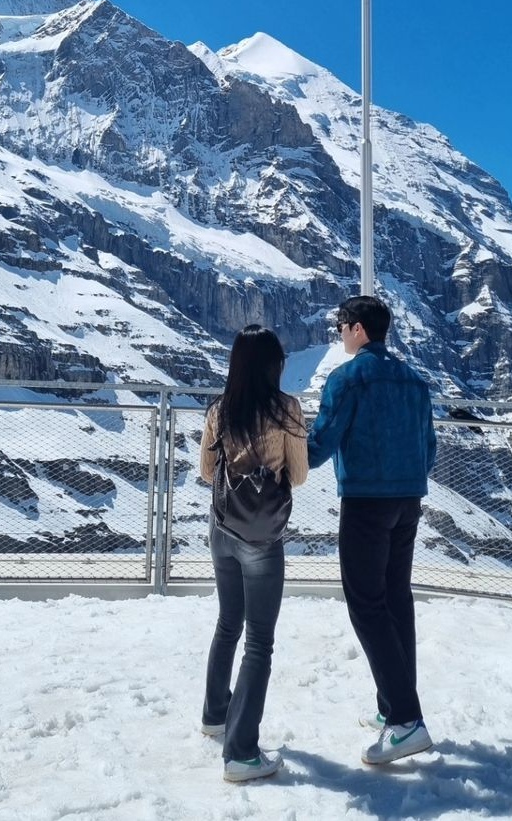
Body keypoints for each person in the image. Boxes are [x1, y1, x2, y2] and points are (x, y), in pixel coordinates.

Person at [307, 295, 437, 766]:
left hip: (366, 502)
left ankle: (406, 719)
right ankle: (392, 707)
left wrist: (282, 456)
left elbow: (321, 444)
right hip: (409, 500)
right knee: (396, 600)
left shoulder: (348, 379)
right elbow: (430, 447)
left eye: (341, 324)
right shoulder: (414, 381)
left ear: (359, 329)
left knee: (366, 605)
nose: (338, 332)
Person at [199, 324, 309, 783]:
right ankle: (241, 752)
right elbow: (299, 474)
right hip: (262, 537)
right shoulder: (287, 409)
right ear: (274, 365)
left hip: (222, 528)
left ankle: (215, 713)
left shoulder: (220, 410)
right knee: (259, 641)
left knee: (228, 624)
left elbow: (208, 472)